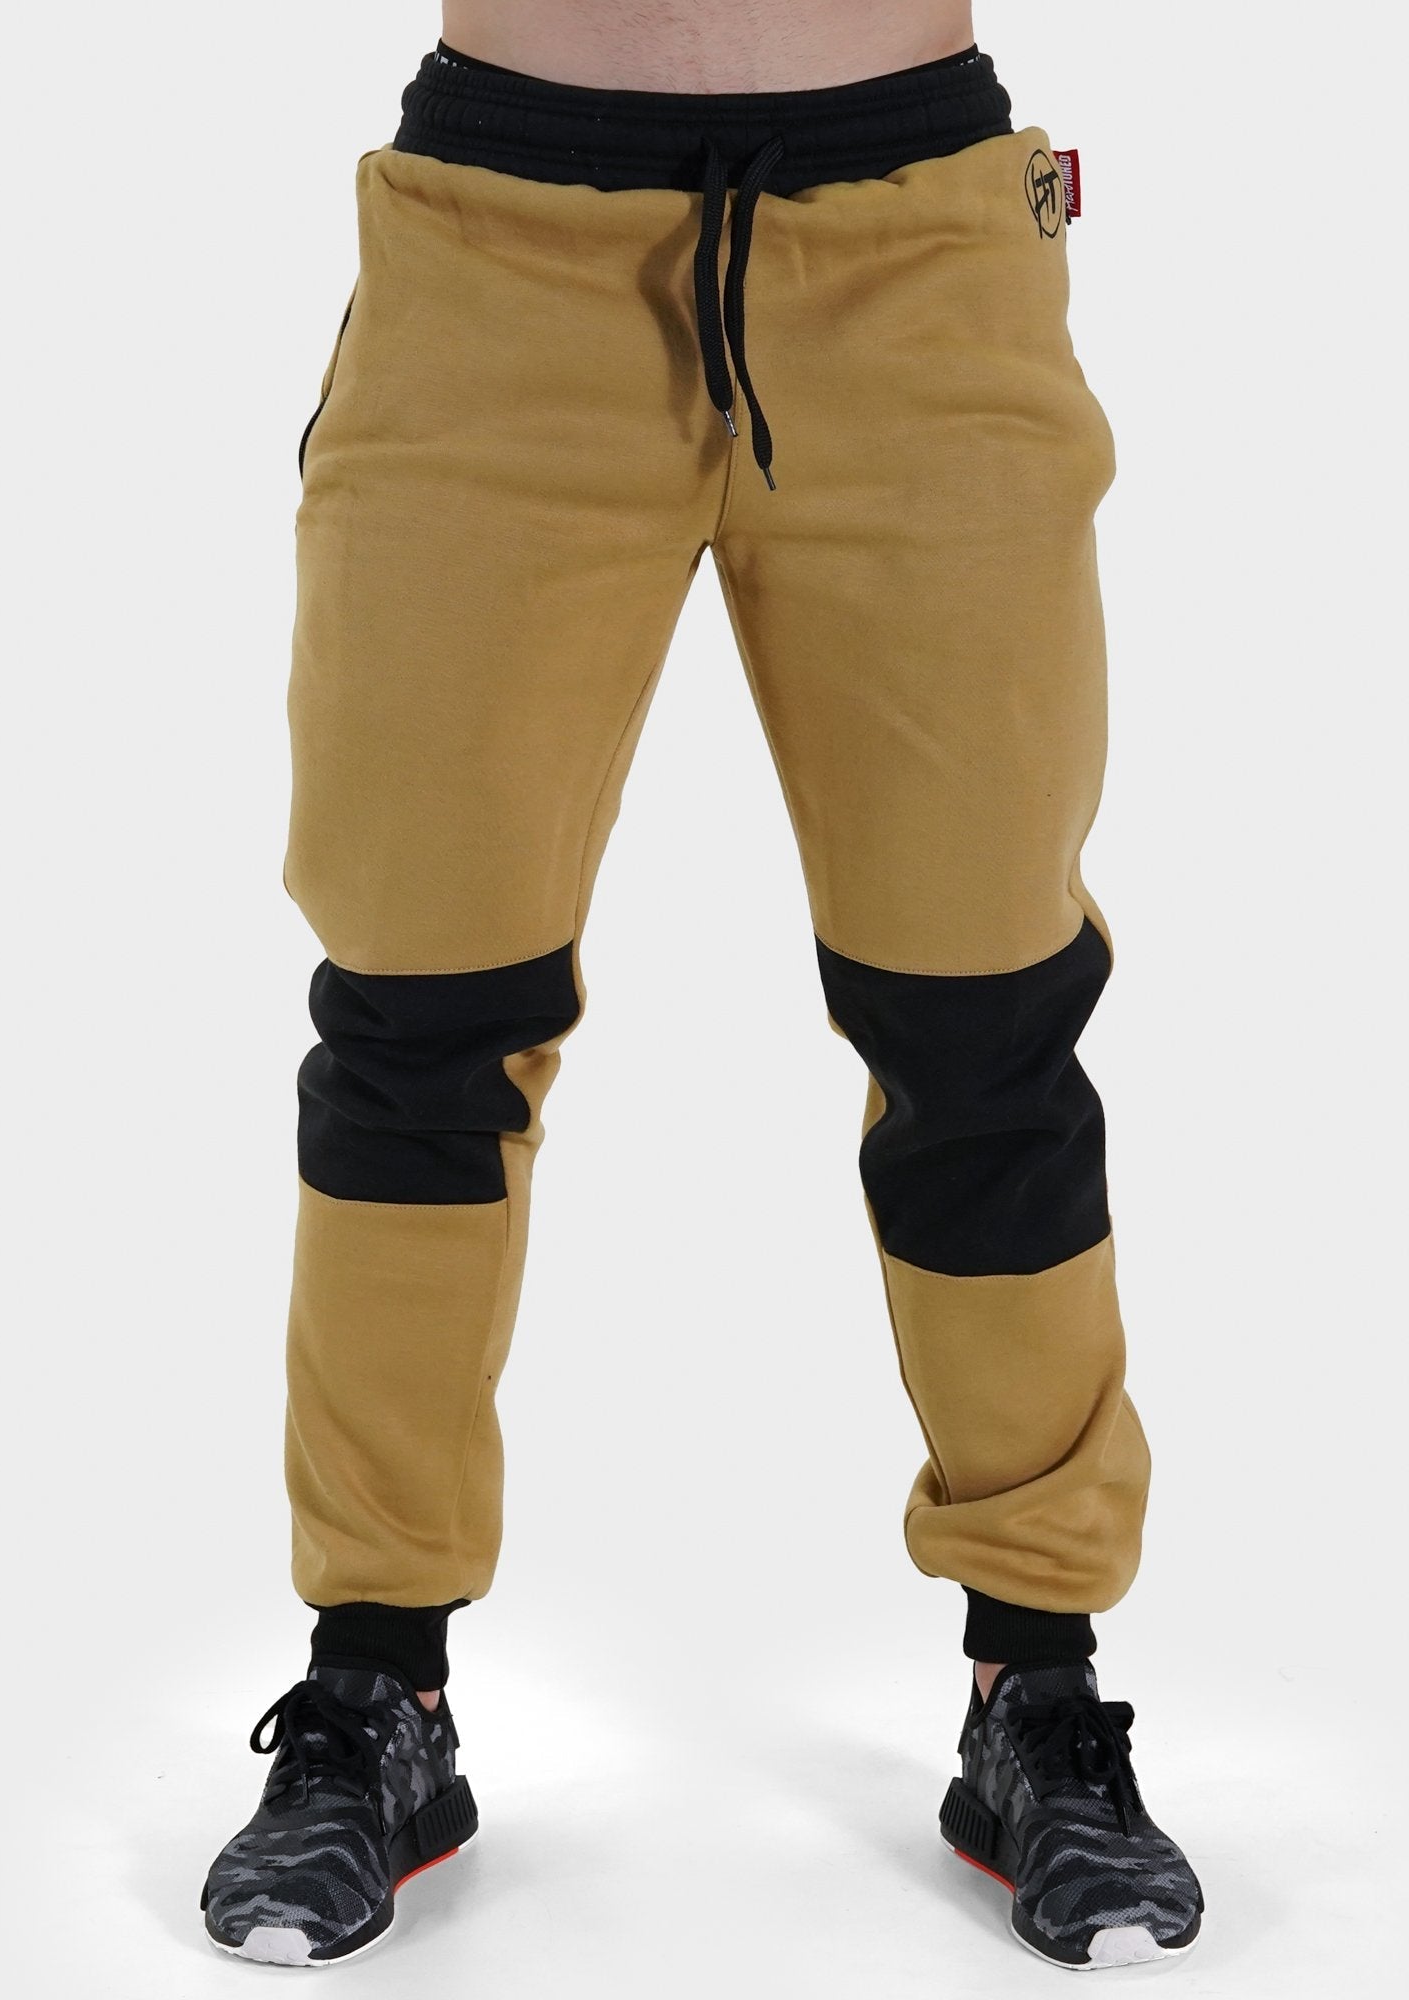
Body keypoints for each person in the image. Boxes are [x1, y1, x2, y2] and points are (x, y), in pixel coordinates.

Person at [199, 0, 1203, 1971]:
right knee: (417, 1011)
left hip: (919, 253)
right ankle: (376, 1686)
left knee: (983, 1016)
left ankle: (1036, 1683)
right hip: (496, 254)